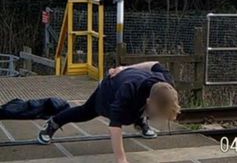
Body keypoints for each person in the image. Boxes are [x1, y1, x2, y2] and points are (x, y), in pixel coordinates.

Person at [37, 61, 180, 163]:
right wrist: (121, 159)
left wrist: (124, 67)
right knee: (85, 112)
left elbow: (154, 64)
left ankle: (140, 120)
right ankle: (53, 123)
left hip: (134, 86)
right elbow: (114, 127)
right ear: (149, 101)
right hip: (109, 89)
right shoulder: (128, 91)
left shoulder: (167, 83)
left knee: (135, 112)